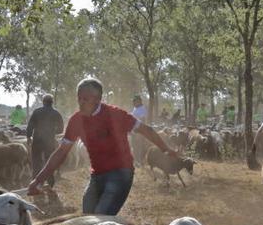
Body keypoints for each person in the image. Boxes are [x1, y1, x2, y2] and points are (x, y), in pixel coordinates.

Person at [27, 78, 179, 215]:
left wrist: (166, 149)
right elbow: (61, 152)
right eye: (79, 98)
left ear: (98, 99)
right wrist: (39, 180)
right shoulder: (76, 120)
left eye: (85, 99)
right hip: (97, 175)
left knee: (100, 218)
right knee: (88, 215)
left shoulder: (116, 115)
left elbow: (147, 130)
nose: (80, 102)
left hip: (121, 173)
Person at [26, 94, 64, 187]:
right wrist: (53, 132)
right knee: (49, 161)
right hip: (49, 141)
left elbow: (30, 125)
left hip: (37, 140)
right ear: (52, 102)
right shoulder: (56, 113)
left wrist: (28, 137)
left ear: (43, 102)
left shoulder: (36, 112)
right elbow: (61, 129)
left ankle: (36, 183)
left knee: (36, 162)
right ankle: (50, 182)